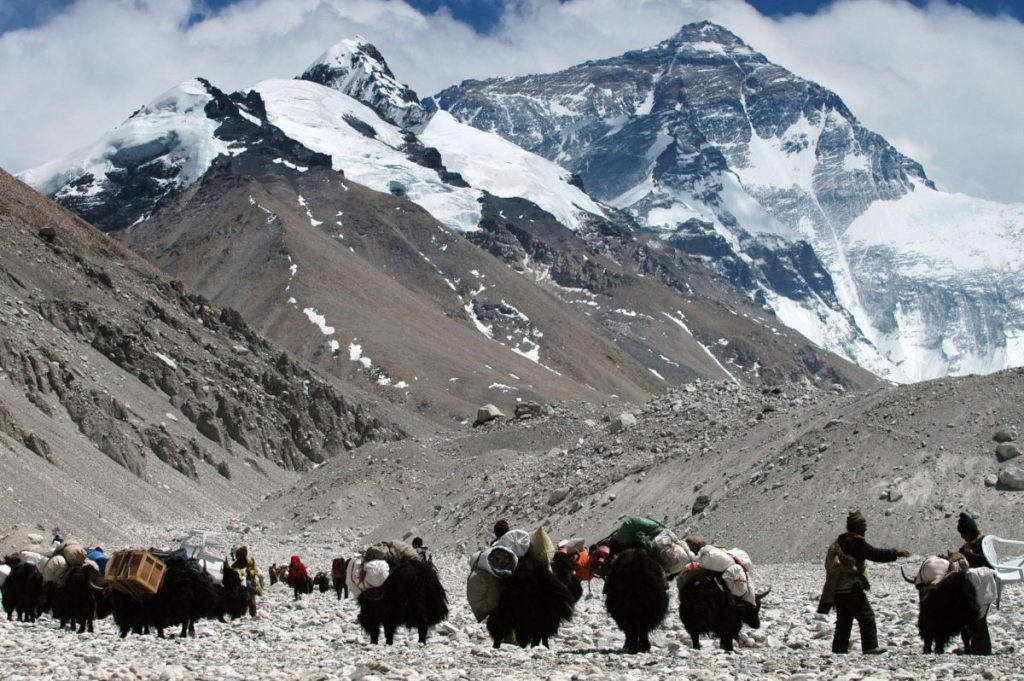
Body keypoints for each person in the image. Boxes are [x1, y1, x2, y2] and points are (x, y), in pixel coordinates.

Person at [819, 511, 910, 655]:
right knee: (866, 615)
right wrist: (896, 553)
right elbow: (874, 553)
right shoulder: (855, 542)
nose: (866, 529)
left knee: (844, 621)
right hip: (851, 586)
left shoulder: (840, 541)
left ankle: (839, 650)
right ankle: (870, 646)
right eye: (864, 526)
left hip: (838, 589)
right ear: (858, 527)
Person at [954, 512, 993, 654]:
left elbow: (989, 564)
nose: (962, 537)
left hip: (985, 586)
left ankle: (982, 650)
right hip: (974, 586)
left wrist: (970, 555)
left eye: (964, 534)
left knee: (979, 617)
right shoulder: (970, 545)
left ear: (970, 532)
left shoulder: (984, 544)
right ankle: (973, 648)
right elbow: (960, 556)